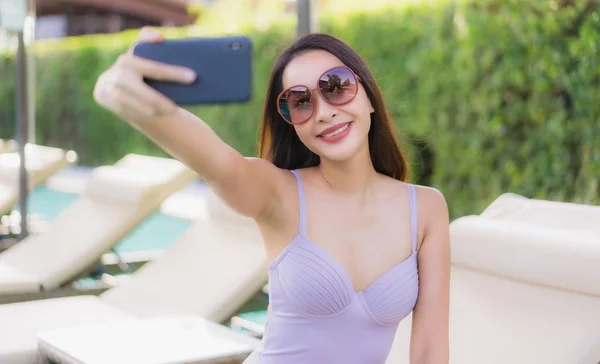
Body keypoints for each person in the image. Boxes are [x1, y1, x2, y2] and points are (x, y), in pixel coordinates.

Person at [93, 27, 450, 363]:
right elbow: (219, 163)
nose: (323, 112)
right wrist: (141, 105)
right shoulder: (279, 193)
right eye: (300, 101)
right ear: (291, 122)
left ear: (370, 97)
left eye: (337, 86)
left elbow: (430, 350)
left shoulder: (426, 208)